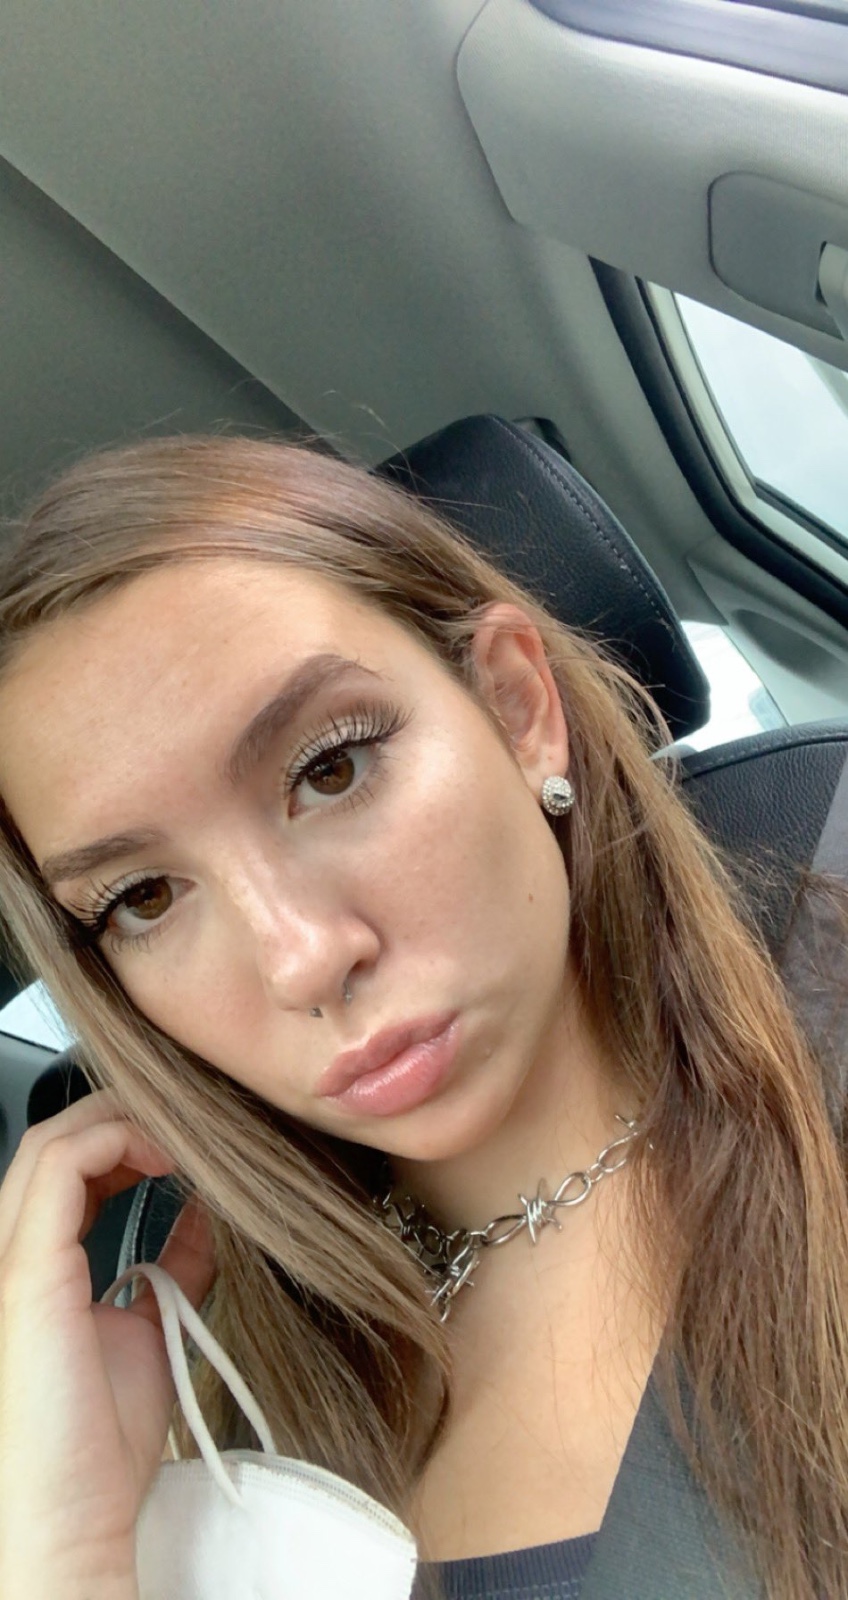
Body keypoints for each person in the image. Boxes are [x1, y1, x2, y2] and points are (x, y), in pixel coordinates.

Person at [0, 435, 844, 1600]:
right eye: (144, 897)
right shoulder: (220, 1412)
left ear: (516, 705)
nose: (302, 959)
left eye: (330, 770)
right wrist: (63, 1560)